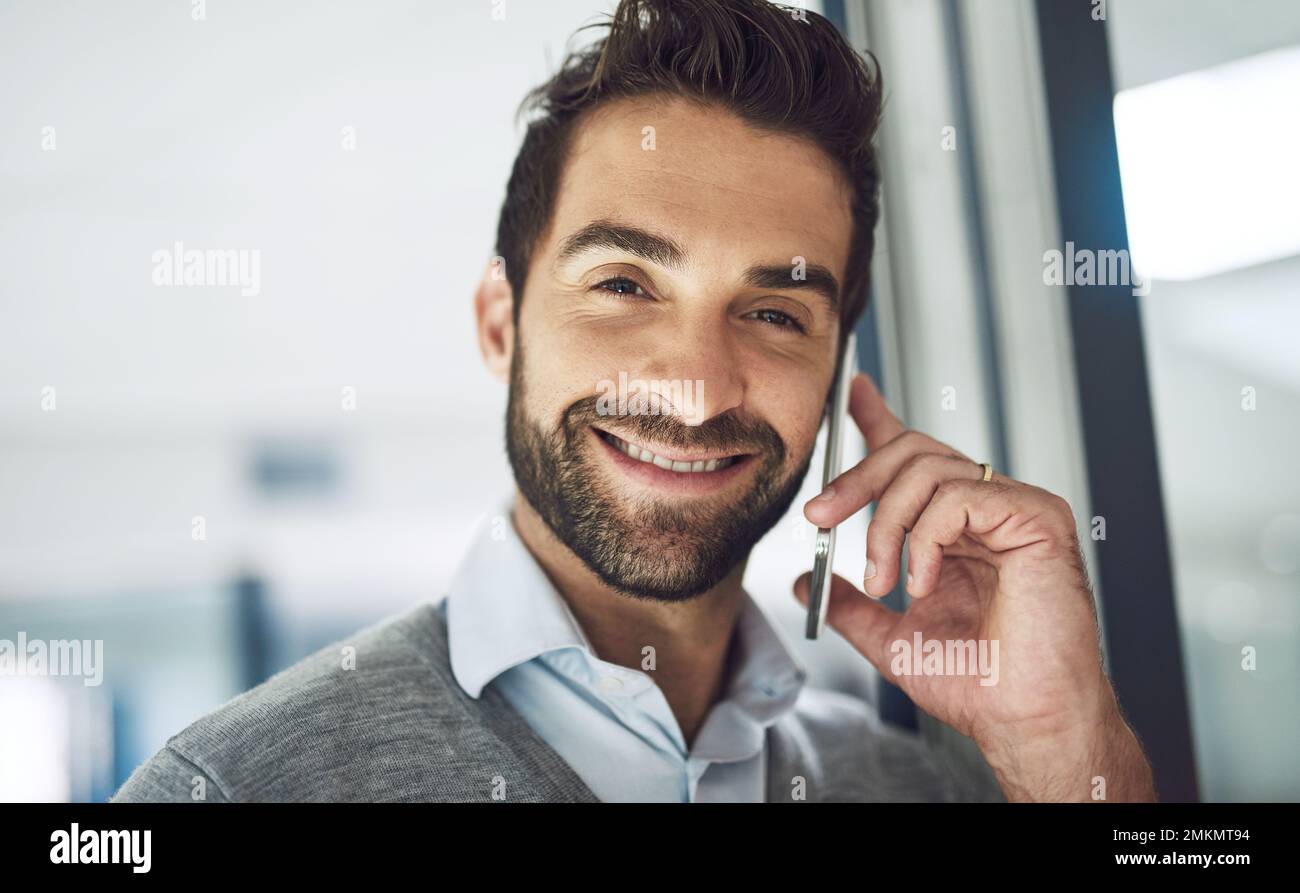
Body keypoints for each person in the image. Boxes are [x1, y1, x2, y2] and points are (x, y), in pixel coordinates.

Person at [113, 0, 1155, 803]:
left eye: (775, 312)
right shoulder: (233, 787)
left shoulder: (935, 785)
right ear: (499, 322)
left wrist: (1068, 757)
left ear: (839, 375)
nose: (696, 391)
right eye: (622, 285)